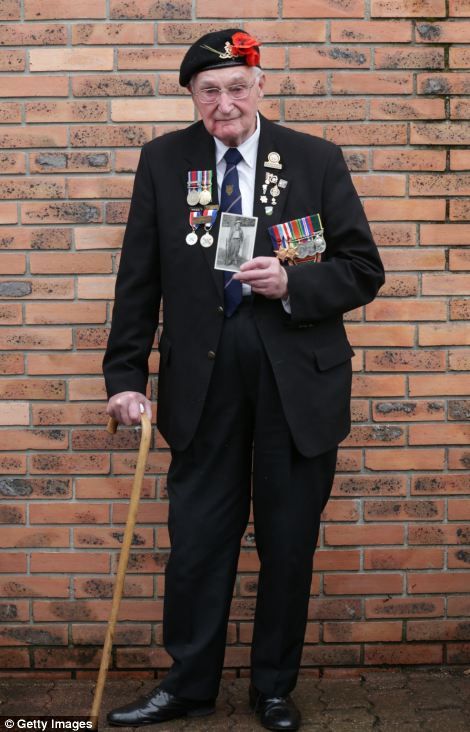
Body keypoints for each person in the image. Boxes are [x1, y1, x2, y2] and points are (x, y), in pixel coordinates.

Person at [103, 28, 385, 731]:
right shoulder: (165, 161)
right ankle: (188, 685)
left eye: (236, 86)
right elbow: (139, 279)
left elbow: (362, 269)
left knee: (288, 541)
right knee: (198, 540)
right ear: (193, 98)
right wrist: (126, 375)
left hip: (298, 382)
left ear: (260, 87)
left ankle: (274, 689)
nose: (223, 101)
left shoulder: (316, 160)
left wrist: (293, 280)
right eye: (208, 91)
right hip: (203, 387)